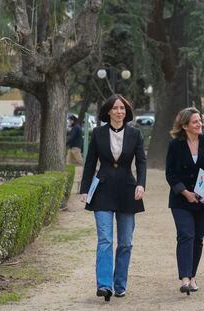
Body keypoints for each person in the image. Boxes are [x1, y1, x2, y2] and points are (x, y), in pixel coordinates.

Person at [80, 94, 146, 302]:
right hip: (102, 189)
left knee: (125, 242)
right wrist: (84, 190)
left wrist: (141, 184)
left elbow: (142, 162)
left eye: (123, 109)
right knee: (105, 239)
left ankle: (119, 284)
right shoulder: (98, 133)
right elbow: (90, 162)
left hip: (127, 190)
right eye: (116, 108)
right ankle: (104, 285)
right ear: (108, 111)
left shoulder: (135, 134)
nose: (120, 112)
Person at [165, 107, 204, 295]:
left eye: (200, 120)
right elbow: (170, 173)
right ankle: (184, 278)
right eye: (195, 122)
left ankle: (192, 276)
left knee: (198, 237)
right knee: (185, 235)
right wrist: (185, 192)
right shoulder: (175, 145)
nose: (200, 124)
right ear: (184, 126)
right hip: (181, 200)